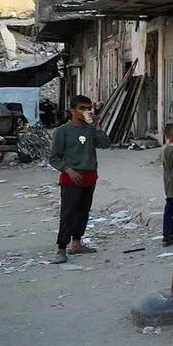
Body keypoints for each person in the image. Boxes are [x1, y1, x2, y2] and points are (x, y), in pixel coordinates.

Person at [48, 95, 111, 264]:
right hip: (71, 178)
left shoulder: (90, 129)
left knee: (83, 211)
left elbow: (106, 144)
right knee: (68, 213)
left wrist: (97, 126)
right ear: (72, 111)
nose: (86, 111)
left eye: (89, 108)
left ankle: (76, 244)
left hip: (89, 176)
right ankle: (61, 248)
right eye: (82, 108)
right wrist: (69, 170)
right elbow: (54, 158)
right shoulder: (62, 131)